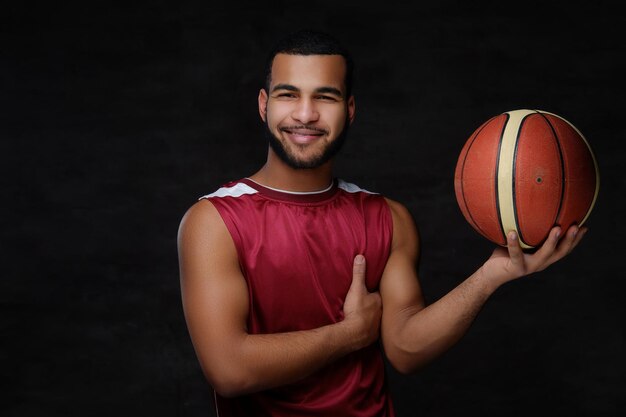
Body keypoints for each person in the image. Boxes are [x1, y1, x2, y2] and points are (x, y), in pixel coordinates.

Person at [177, 29, 586, 417]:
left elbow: (406, 349)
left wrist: (493, 275)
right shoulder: (213, 222)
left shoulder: (388, 217)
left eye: (326, 96)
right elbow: (229, 371)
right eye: (289, 95)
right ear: (264, 104)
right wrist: (350, 334)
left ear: (349, 110)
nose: (305, 114)